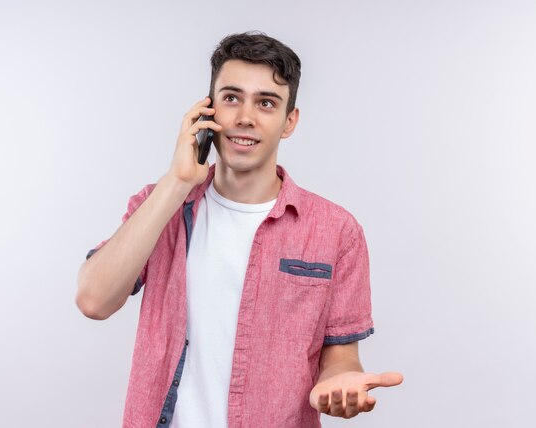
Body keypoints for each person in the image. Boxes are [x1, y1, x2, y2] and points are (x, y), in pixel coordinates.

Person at [76, 31, 403, 427]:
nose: (245, 117)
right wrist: (176, 182)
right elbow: (93, 300)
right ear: (207, 110)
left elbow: (341, 356)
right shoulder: (160, 204)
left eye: (266, 103)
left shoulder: (336, 230)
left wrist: (337, 383)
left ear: (289, 121)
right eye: (231, 98)